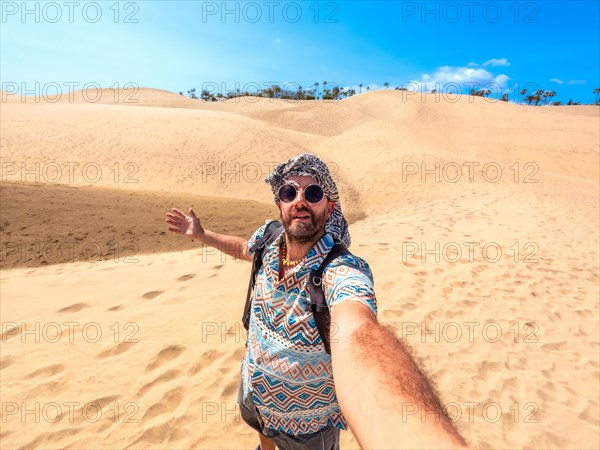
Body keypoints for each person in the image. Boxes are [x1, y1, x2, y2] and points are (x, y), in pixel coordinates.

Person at [165, 153, 467, 450]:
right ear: (279, 203)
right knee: (261, 432)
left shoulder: (341, 270)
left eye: (312, 192)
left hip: (307, 429)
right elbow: (245, 248)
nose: (300, 200)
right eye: (289, 192)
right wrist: (203, 235)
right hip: (255, 395)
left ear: (329, 206)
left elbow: (358, 331)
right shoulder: (269, 239)